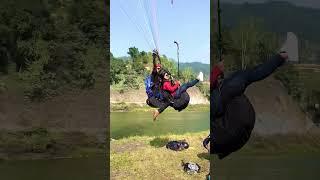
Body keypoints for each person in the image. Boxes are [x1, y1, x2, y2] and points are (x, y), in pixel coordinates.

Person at [208, 51, 291, 159]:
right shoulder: (226, 89)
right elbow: (253, 74)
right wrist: (279, 59)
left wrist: (217, 72)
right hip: (243, 126)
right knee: (244, 76)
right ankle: (281, 57)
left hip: (230, 141)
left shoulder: (222, 94)